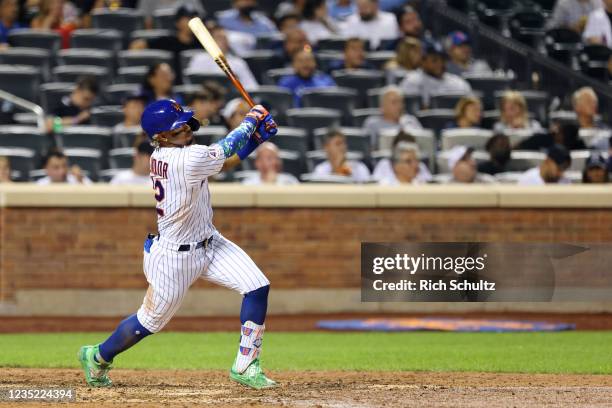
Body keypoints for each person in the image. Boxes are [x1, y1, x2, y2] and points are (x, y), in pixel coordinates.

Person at [78, 99, 279, 389]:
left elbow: (219, 164)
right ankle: (97, 356)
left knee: (257, 287)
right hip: (174, 258)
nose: (184, 129)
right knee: (149, 322)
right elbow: (224, 148)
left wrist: (257, 139)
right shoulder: (183, 158)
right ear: (160, 138)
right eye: (176, 129)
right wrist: (252, 121)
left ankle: (245, 366)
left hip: (210, 243)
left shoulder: (180, 154)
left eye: (184, 123)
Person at [129, 5, 201, 80]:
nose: (193, 21)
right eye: (188, 18)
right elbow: (137, 45)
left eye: (194, 18)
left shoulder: (201, 43)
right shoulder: (167, 41)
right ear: (177, 22)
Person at [400, 39, 472, 108]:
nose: (440, 64)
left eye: (443, 59)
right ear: (423, 61)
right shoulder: (411, 81)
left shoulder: (458, 83)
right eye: (434, 60)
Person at [187, 25, 258, 90]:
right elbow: (192, 84)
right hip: (205, 99)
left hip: (231, 99)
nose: (223, 41)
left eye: (225, 38)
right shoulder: (199, 59)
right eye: (218, 38)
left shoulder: (238, 62)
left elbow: (252, 87)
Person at [137, 0, 204, 29]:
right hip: (158, 39)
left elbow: (199, 20)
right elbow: (145, 23)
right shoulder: (147, 1)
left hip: (186, 39)